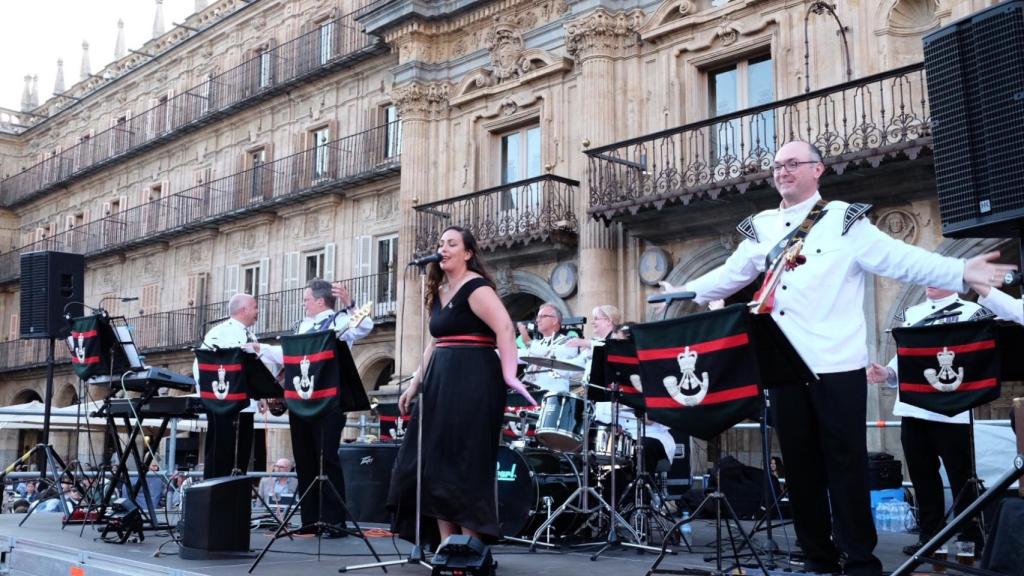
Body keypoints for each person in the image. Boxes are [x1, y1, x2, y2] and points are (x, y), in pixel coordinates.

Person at [658, 141, 1014, 576]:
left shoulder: (844, 220)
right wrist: (683, 292)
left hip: (836, 365)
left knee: (845, 466)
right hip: (785, 366)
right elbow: (731, 274)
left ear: (817, 170)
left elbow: (901, 260)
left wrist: (960, 272)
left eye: (793, 164)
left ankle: (860, 560)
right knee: (801, 468)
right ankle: (817, 557)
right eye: (777, 166)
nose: (783, 172)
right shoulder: (762, 226)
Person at [387, 225, 536, 548]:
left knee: (464, 462)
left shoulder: (476, 287)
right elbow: (435, 342)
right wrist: (414, 383)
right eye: (441, 242)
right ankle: (446, 544)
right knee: (435, 462)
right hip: (441, 378)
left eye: (451, 243)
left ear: (467, 253)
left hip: (474, 377)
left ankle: (471, 544)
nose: (443, 248)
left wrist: (510, 374)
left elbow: (505, 329)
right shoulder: (439, 292)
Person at [866, 287, 989, 556]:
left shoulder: (971, 312)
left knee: (961, 477)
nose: (929, 283)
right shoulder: (913, 314)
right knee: (922, 477)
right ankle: (930, 539)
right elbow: (906, 357)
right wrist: (886, 372)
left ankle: (971, 538)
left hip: (952, 410)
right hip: (914, 408)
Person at [264, 278, 372, 537]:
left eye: (306, 299)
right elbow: (288, 357)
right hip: (301, 401)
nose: (304, 304)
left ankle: (335, 522)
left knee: (327, 459)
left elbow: (364, 325)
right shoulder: (302, 326)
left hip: (328, 400)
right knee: (304, 461)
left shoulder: (337, 322)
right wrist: (263, 350)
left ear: (320, 301)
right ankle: (310, 519)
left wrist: (349, 303)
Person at [192, 293, 277, 479]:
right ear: (244, 309)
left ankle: (236, 501)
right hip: (224, 405)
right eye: (255, 307)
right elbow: (202, 368)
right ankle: (216, 500)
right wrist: (214, 399)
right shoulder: (219, 333)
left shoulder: (249, 333)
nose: (258, 311)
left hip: (245, 406)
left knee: (242, 458)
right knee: (221, 456)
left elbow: (251, 369)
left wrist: (260, 394)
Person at [516, 303, 583, 393]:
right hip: (533, 396)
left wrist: (526, 337)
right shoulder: (537, 344)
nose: (537, 320)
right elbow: (513, 355)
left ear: (555, 320)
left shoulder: (569, 341)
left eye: (542, 316)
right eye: (537, 317)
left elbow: (545, 352)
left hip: (554, 397)